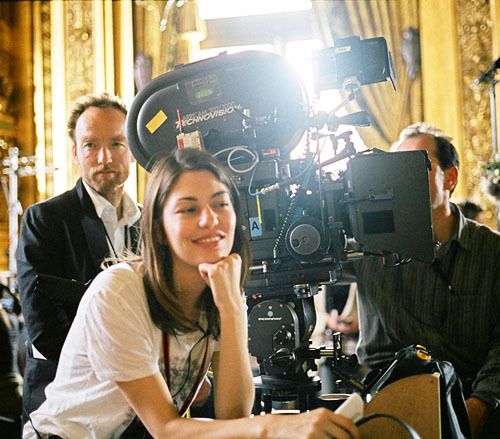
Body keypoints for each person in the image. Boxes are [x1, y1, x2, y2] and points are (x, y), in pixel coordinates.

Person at [23, 148, 359, 439]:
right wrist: (273, 426)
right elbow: (166, 429)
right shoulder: (119, 292)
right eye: (188, 209)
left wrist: (231, 309)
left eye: (220, 204)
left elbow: (233, 418)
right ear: (157, 228)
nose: (209, 220)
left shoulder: (221, 288)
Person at [353, 122, 500, 438]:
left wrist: (476, 408)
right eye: (394, 169)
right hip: (406, 411)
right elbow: (375, 357)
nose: (402, 179)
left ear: (450, 177)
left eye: (417, 166)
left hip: (487, 410)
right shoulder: (375, 259)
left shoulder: (492, 251)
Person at [16, 92, 141, 424]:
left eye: (117, 143)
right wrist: (124, 374)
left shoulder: (150, 223)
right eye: (90, 145)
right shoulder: (45, 220)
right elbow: (44, 330)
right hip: (65, 408)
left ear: (132, 150)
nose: (104, 157)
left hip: (138, 408)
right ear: (75, 152)